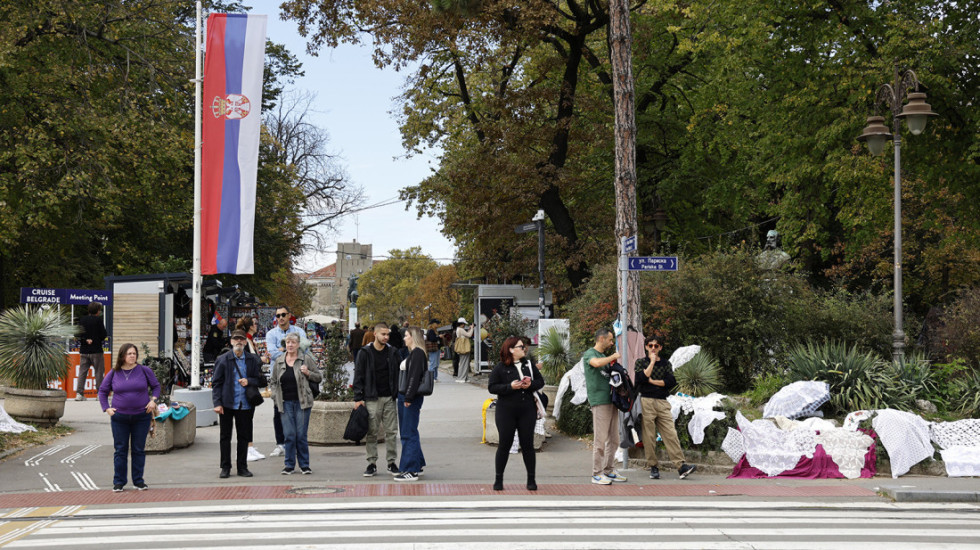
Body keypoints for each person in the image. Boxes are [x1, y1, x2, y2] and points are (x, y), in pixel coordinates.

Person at [98, 343, 160, 492]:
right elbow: (102, 391)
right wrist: (107, 408)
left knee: (138, 449)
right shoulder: (114, 373)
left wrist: (153, 400)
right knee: (120, 450)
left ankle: (138, 481)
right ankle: (119, 482)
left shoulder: (144, 371)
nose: (132, 356)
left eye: (134, 353)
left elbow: (156, 386)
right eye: (129, 353)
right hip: (120, 418)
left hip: (141, 416)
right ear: (122, 356)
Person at [635, 336, 697, 480]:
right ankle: (653, 467)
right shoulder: (641, 362)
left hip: (663, 402)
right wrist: (651, 363)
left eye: (656, 346)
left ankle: (681, 466)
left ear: (661, 348)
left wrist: (652, 381)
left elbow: (670, 382)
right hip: (646, 401)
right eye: (650, 346)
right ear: (646, 347)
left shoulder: (666, 364)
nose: (653, 349)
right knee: (649, 436)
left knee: (670, 434)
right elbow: (640, 380)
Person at [488, 336, 544, 491]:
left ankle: (531, 479)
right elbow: (492, 387)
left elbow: (541, 382)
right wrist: (510, 387)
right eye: (520, 347)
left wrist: (530, 384)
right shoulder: (500, 367)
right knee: (504, 444)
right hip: (506, 410)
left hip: (527, 409)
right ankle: (498, 479)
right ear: (511, 349)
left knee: (528, 445)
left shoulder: (529, 365)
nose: (524, 349)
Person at [212, 329, 265, 479]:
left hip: (245, 404)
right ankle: (225, 467)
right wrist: (217, 403)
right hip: (227, 403)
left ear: (245, 342)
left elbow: (261, 380)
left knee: (244, 437)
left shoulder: (252, 359)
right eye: (236, 340)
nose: (239, 342)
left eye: (242, 339)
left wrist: (249, 381)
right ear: (231, 342)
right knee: (225, 437)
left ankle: (242, 466)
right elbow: (216, 383)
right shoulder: (223, 359)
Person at [353, 322, 400, 477]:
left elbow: (399, 373)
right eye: (383, 334)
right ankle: (371, 463)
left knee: (391, 431)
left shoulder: (392, 352)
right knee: (372, 431)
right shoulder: (365, 353)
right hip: (372, 397)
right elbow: (358, 375)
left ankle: (391, 462)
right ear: (375, 334)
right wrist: (358, 398)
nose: (386, 337)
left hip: (389, 397)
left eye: (388, 335)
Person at [270, 332, 322, 475]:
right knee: (289, 435)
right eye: (288, 343)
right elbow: (273, 381)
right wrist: (275, 396)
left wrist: (308, 373)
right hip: (285, 403)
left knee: (301, 435)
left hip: (302, 402)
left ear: (298, 344)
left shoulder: (305, 359)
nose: (290, 345)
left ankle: (304, 465)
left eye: (293, 342)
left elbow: (319, 377)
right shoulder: (279, 361)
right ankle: (289, 465)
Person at [583, 327, 626, 485]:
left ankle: (609, 470)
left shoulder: (603, 355)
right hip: (599, 401)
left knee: (614, 439)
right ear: (601, 339)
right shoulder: (590, 354)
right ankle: (597, 473)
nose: (611, 342)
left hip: (612, 400)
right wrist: (613, 356)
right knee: (600, 439)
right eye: (610, 339)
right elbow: (596, 363)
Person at [264, 306, 304, 457]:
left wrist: (283, 350)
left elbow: (305, 350)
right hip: (279, 377)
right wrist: (292, 350)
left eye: (283, 315)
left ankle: (294, 444)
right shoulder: (271, 334)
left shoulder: (299, 331)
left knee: (297, 411)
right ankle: (280, 443)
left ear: (289, 315)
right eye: (278, 315)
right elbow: (273, 354)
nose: (280, 318)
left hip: (297, 376)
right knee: (278, 411)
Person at [394, 326, 428, 481]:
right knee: (410, 430)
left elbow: (413, 377)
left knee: (408, 432)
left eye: (406, 335)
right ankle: (417, 464)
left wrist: (408, 397)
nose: (404, 338)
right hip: (409, 396)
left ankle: (410, 469)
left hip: (410, 397)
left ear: (413, 337)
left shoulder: (417, 354)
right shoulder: (415, 353)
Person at [236, 316, 265, 462]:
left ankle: (250, 445)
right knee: (246, 416)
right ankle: (246, 448)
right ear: (250, 326)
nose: (257, 325)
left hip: (251, 381)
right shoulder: (246, 342)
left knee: (249, 415)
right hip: (245, 383)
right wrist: (262, 360)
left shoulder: (250, 341)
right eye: (255, 323)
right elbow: (250, 361)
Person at [76, 301, 108, 401]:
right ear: (97, 311)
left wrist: (86, 339)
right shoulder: (98, 320)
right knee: (98, 372)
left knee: (82, 372)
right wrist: (94, 339)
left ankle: (79, 394)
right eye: (99, 310)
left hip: (84, 350)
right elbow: (104, 335)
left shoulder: (82, 319)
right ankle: (99, 394)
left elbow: (77, 334)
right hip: (96, 350)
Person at [453, 318, 474, 383]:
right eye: (464, 324)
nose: (464, 325)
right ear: (462, 324)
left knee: (463, 363)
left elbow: (466, 335)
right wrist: (472, 328)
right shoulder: (461, 329)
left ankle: (464, 377)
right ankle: (461, 378)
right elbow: (469, 335)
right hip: (464, 348)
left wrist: (469, 330)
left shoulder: (458, 329)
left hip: (461, 348)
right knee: (464, 363)